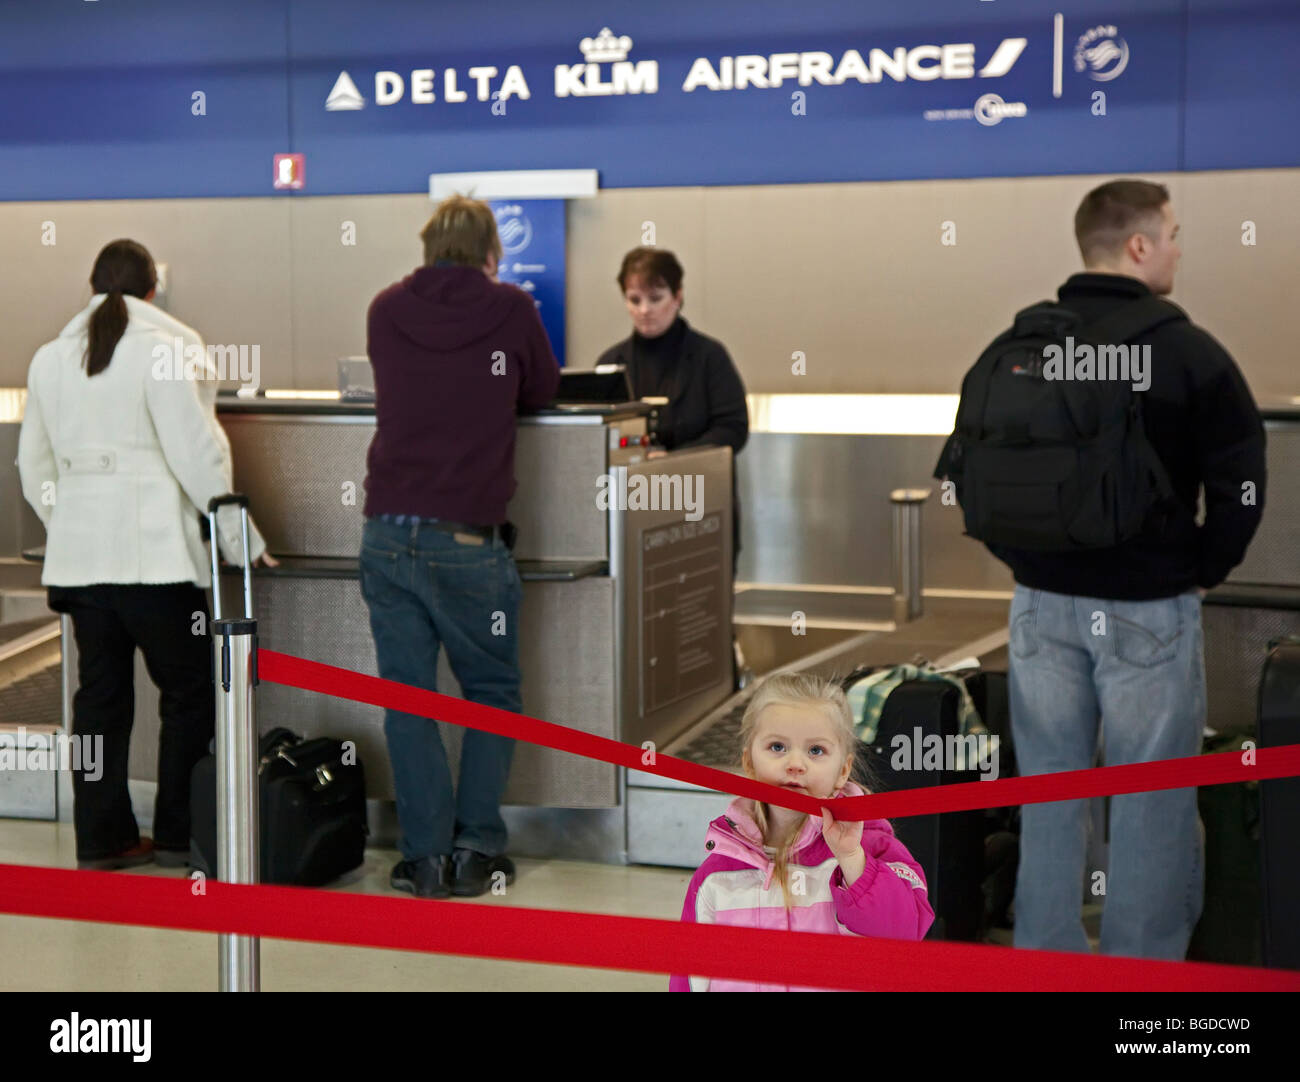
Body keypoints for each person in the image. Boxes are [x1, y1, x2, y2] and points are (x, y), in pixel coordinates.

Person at [987, 180, 1266, 959]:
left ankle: (1044, 959)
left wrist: (1029, 563)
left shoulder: (1025, 343)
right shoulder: (1188, 352)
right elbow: (1242, 480)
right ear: (1138, 246)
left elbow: (980, 469)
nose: (1180, 247)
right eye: (1173, 233)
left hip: (1039, 606)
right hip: (1148, 606)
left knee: (1048, 798)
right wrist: (1202, 568)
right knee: (1151, 802)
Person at [17, 238, 274, 871]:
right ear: (152, 289)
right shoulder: (164, 351)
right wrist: (242, 538)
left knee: (98, 702)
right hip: (154, 564)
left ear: (93, 285)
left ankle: (102, 840)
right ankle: (179, 834)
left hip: (81, 569)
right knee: (187, 693)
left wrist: (71, 519)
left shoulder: (49, 359)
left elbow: (32, 467)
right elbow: (196, 455)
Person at [360, 195, 560, 900]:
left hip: (386, 535)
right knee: (491, 694)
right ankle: (477, 848)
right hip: (468, 540)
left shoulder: (386, 309)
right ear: (490, 251)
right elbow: (542, 388)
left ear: (426, 245)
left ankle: (424, 860)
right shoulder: (510, 309)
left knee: (408, 701)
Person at [670, 673, 934, 991]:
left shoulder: (870, 848)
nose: (795, 763)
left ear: (843, 771)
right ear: (749, 764)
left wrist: (853, 860)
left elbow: (905, 934)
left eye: (816, 751)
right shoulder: (716, 875)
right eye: (777, 747)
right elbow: (688, 975)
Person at [596, 247, 749, 565]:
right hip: (633, 513)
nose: (645, 310)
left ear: (677, 297)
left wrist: (674, 460)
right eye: (634, 300)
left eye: (656, 298)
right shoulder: (611, 365)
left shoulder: (709, 357)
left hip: (701, 505)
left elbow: (733, 428)